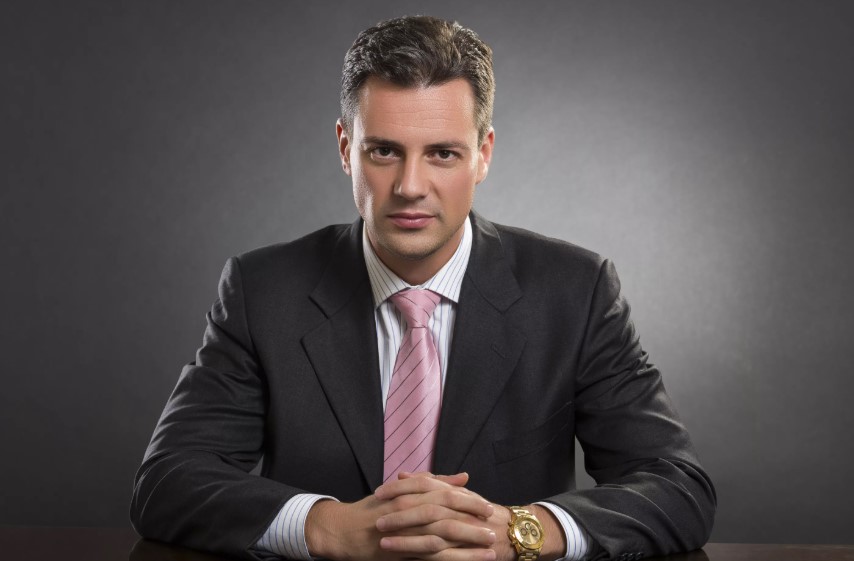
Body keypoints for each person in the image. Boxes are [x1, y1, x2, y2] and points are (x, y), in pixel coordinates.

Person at [130, 15, 715, 561]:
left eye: (442, 153)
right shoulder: (263, 292)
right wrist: (328, 527)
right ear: (346, 149)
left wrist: (520, 531)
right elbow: (166, 481)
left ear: (482, 155)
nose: (411, 186)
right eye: (384, 151)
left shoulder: (576, 293)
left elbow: (677, 487)